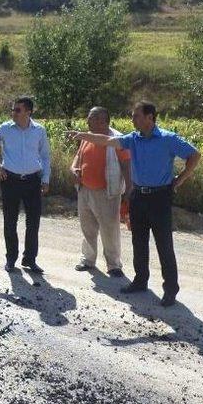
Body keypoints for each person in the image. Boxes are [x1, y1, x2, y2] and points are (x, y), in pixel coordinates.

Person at [68, 101, 201, 307]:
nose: (133, 119)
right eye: (133, 116)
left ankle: (170, 290)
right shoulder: (133, 139)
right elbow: (106, 140)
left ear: (150, 117)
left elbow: (195, 155)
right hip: (139, 195)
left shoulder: (168, 139)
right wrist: (82, 135)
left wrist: (179, 180)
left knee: (164, 244)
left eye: (136, 116)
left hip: (160, 197)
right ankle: (140, 281)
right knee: (139, 242)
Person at [0, 97, 51, 273]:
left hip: (33, 180)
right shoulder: (5, 128)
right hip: (10, 180)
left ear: (28, 112)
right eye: (12, 110)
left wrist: (45, 179)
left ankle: (30, 260)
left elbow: (44, 156)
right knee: (10, 221)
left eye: (18, 110)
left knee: (33, 222)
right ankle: (11, 259)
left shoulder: (39, 130)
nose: (13, 113)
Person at [70, 106, 132, 277]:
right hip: (84, 189)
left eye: (90, 118)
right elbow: (79, 156)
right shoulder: (87, 137)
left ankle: (114, 265)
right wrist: (74, 168)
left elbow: (126, 164)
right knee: (87, 227)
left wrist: (128, 189)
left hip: (107, 192)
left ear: (102, 121)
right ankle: (88, 259)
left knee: (110, 229)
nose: (87, 121)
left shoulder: (117, 139)